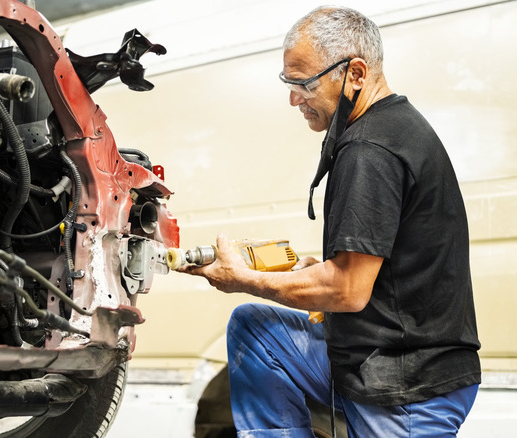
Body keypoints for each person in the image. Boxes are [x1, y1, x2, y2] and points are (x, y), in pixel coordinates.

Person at [180, 6, 481, 437]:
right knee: (254, 328)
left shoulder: (371, 150)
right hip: (384, 359)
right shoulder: (393, 128)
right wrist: (313, 270)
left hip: (407, 384)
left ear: (355, 74)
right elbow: (378, 269)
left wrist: (242, 277)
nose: (293, 98)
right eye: (288, 83)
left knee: (250, 305)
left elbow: (347, 289)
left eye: (304, 83)